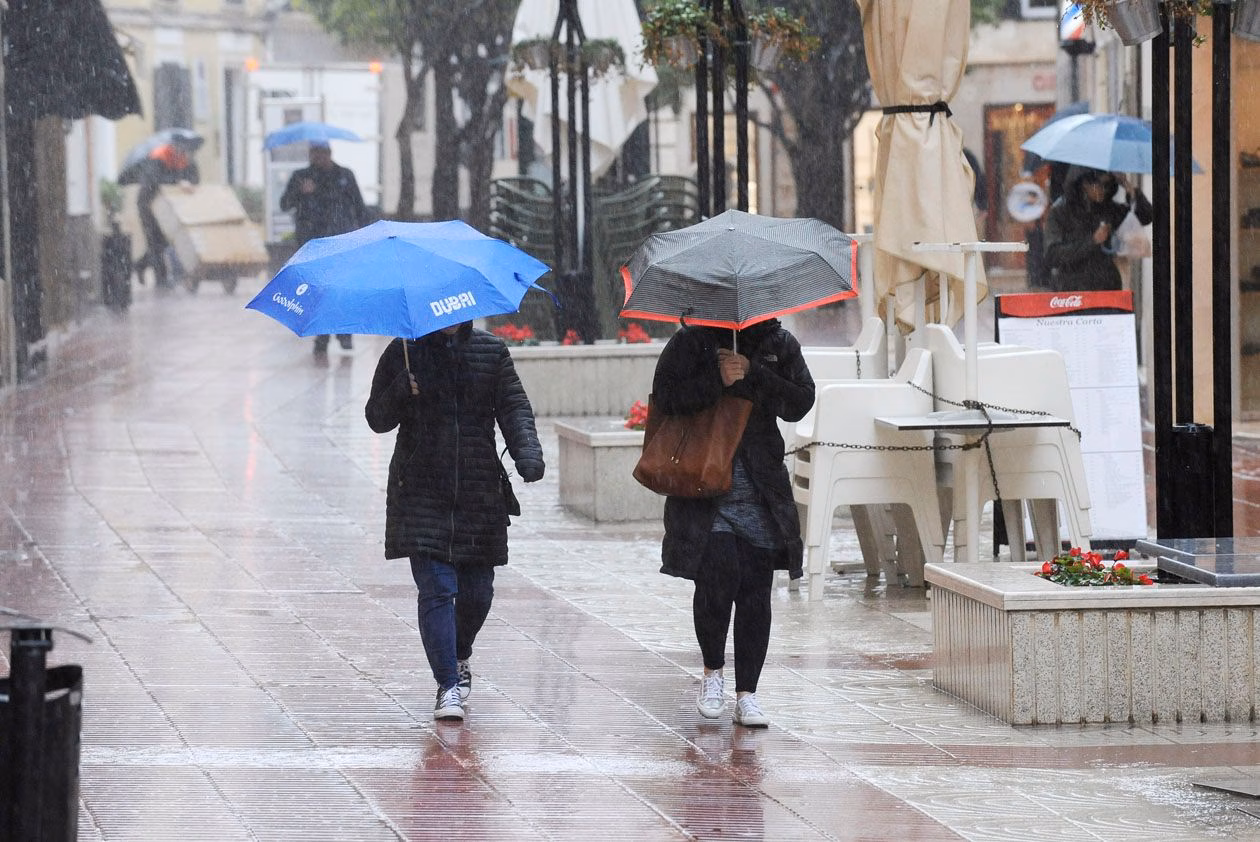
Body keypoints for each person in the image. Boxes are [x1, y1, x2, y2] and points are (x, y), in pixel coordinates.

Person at [364, 321, 545, 722]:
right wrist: (400, 390)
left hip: (479, 492)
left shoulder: (490, 351)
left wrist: (527, 453)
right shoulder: (404, 351)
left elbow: (514, 406)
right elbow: (376, 418)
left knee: (478, 593)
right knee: (437, 590)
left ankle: (459, 654)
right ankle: (447, 684)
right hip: (421, 492)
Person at [649, 317, 814, 728]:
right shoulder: (690, 342)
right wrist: (716, 379)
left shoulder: (779, 342)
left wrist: (753, 373)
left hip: (761, 488)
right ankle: (712, 673)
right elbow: (666, 398)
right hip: (705, 487)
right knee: (717, 581)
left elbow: (800, 401)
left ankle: (748, 694)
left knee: (756, 591)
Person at [280, 140, 368, 355]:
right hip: (313, 243)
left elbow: (359, 206)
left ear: (329, 153)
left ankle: (345, 333)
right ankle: (322, 336)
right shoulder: (301, 176)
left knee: (341, 288)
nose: (317, 158)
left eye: (321, 153)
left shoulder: (344, 175)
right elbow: (285, 204)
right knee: (318, 291)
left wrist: (364, 234)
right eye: (314, 154)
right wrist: (301, 192)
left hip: (341, 240)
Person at [1043, 165, 1153, 292]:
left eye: (1108, 185)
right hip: (1072, 288)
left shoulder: (1109, 209)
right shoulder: (1060, 212)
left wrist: (1127, 185)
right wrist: (1092, 241)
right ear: (1085, 184)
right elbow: (1053, 255)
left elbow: (1145, 217)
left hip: (1106, 286)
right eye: (1100, 185)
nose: (1104, 190)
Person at [135, 140, 200, 288]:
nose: (183, 156)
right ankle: (161, 279)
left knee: (164, 241)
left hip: (167, 206)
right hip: (148, 203)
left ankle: (141, 264)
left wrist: (188, 182)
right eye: (179, 152)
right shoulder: (158, 158)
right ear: (173, 149)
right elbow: (154, 181)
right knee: (154, 240)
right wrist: (178, 181)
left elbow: (194, 177)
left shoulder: (185, 160)